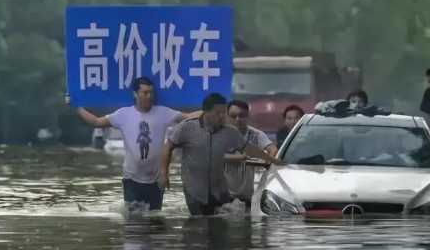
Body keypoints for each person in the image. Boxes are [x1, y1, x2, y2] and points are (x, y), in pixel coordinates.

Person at [75, 77, 200, 211]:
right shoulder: (123, 114)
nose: (149, 96)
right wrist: (76, 107)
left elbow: (188, 117)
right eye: (145, 93)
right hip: (132, 178)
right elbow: (97, 122)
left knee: (155, 219)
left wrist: (211, 111)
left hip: (156, 179)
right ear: (135, 94)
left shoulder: (163, 112)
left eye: (151, 93)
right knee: (134, 221)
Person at [160, 93, 281, 216]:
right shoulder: (186, 127)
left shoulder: (230, 132)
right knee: (198, 226)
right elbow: (168, 147)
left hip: (220, 191)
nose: (222, 116)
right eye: (218, 113)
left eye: (223, 112)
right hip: (194, 190)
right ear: (206, 112)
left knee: (219, 226)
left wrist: (272, 160)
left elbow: (249, 149)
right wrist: (164, 172)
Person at [224, 100, 278, 207]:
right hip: (223, 196)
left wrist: (268, 160)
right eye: (233, 116)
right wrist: (238, 158)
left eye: (242, 116)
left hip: (246, 197)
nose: (237, 119)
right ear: (227, 116)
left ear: (248, 116)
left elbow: (273, 150)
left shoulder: (256, 135)